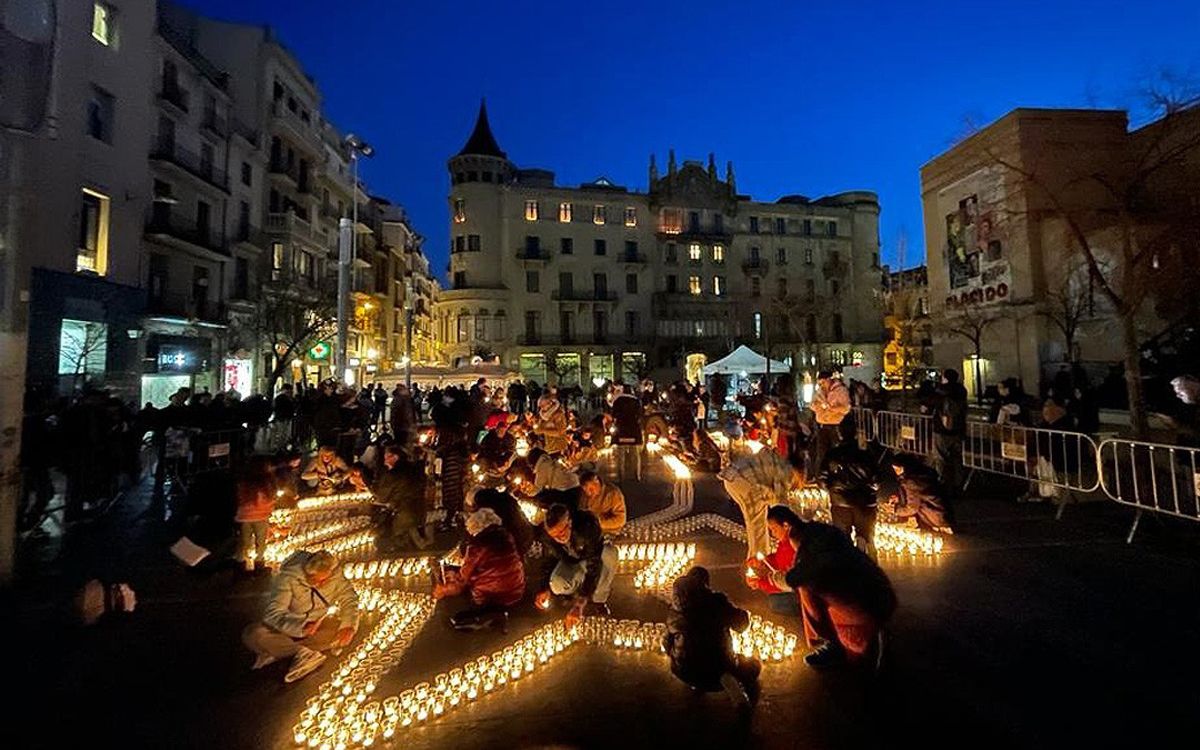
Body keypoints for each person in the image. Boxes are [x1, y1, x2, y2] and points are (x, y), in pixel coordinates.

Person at [777, 519, 897, 669]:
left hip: (868, 609)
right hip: (885, 599)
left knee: (805, 589)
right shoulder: (836, 543)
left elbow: (792, 579)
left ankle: (832, 644)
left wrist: (770, 577)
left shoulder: (816, 558)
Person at [242, 550, 359, 683]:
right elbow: (274, 613)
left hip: (317, 629)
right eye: (315, 581)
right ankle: (301, 653)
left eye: (325, 580)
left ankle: (284, 651)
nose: (321, 585)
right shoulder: (287, 578)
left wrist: (348, 625)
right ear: (306, 573)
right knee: (253, 634)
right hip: (288, 629)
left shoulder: (336, 577)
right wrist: (300, 626)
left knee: (341, 631)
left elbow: (350, 599)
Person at [663, 566, 761, 711]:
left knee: (699, 661)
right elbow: (741, 625)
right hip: (716, 672)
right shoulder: (717, 603)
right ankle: (739, 698)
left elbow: (666, 642)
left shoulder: (673, 613)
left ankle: (697, 682)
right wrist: (741, 612)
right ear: (704, 585)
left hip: (682, 670)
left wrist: (679, 655)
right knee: (752, 665)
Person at [434, 508, 526, 631]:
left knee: (465, 592)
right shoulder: (506, 535)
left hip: (491, 595)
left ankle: (487, 615)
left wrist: (444, 589)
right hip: (516, 590)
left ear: (475, 528)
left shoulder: (477, 544)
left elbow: (463, 579)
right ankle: (496, 612)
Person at [534, 504, 617, 625]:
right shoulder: (547, 536)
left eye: (562, 531)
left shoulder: (587, 526)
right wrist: (544, 588)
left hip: (593, 556)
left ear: (570, 523)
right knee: (556, 585)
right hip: (571, 560)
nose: (560, 537)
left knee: (609, 554)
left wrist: (580, 603)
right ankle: (575, 593)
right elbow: (548, 561)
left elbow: (594, 565)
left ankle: (599, 599)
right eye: (555, 535)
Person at [718, 449, 806, 558]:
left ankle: (758, 557)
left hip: (732, 479)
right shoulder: (788, 472)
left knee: (754, 520)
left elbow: (772, 497)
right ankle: (759, 561)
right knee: (757, 523)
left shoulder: (779, 462)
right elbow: (780, 505)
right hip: (743, 480)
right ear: (800, 471)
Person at [819, 439, 880, 557]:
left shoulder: (833, 454)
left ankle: (847, 568)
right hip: (864, 503)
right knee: (866, 538)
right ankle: (869, 568)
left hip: (840, 503)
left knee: (842, 540)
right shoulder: (866, 455)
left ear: (839, 434)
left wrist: (834, 491)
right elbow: (876, 481)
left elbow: (822, 479)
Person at [745, 505, 802, 616]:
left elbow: (788, 581)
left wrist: (760, 583)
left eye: (774, 529)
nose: (772, 534)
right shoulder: (785, 542)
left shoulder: (795, 545)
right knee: (774, 599)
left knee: (776, 603)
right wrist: (763, 562)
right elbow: (779, 558)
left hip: (799, 589)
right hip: (788, 582)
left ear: (785, 525)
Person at [371, 444, 429, 550]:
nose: (384, 461)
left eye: (387, 458)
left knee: (387, 542)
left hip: (403, 513)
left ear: (395, 457)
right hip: (419, 510)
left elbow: (381, 496)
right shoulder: (414, 469)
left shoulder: (393, 474)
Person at [886, 453, 953, 534]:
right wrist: (899, 498)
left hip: (936, 516)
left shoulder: (911, 482)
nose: (896, 472)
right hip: (940, 512)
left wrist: (895, 510)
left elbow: (912, 507)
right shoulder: (919, 474)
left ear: (905, 467)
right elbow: (915, 495)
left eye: (898, 469)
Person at [932, 368, 968, 514]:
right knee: (957, 459)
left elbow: (927, 401)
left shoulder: (940, 392)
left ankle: (941, 484)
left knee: (940, 457)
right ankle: (958, 485)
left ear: (945, 378)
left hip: (942, 430)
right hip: (958, 429)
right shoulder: (961, 391)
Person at [235, 457, 277, 572]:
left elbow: (239, 499)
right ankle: (259, 565)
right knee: (261, 542)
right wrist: (271, 509)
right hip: (261, 517)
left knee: (244, 542)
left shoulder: (244, 484)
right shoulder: (266, 485)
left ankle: (239, 566)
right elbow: (268, 501)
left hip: (245, 517)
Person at [810, 369, 851, 475]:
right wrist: (818, 406)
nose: (821, 385)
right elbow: (812, 404)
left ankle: (837, 475)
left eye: (823, 382)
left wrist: (830, 408)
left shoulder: (841, 391)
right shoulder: (820, 391)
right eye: (819, 383)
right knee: (821, 452)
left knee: (835, 453)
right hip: (822, 425)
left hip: (835, 426)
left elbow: (845, 408)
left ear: (829, 380)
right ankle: (820, 475)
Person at [610, 383, 644, 481]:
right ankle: (637, 475)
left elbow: (614, 415)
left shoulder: (617, 401)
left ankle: (621, 475)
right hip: (633, 429)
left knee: (621, 455)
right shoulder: (636, 401)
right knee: (636, 454)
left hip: (621, 429)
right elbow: (640, 415)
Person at [577, 469, 627, 535]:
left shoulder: (613, 494)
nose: (589, 493)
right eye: (586, 491)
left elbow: (620, 519)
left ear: (597, 483)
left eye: (591, 489)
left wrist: (597, 524)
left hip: (609, 534)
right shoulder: (584, 495)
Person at [535, 387, 569, 454]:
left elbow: (560, 432)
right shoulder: (544, 415)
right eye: (540, 406)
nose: (541, 408)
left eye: (543, 405)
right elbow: (540, 426)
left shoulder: (558, 415)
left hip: (558, 447)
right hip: (549, 446)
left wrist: (543, 430)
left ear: (550, 404)